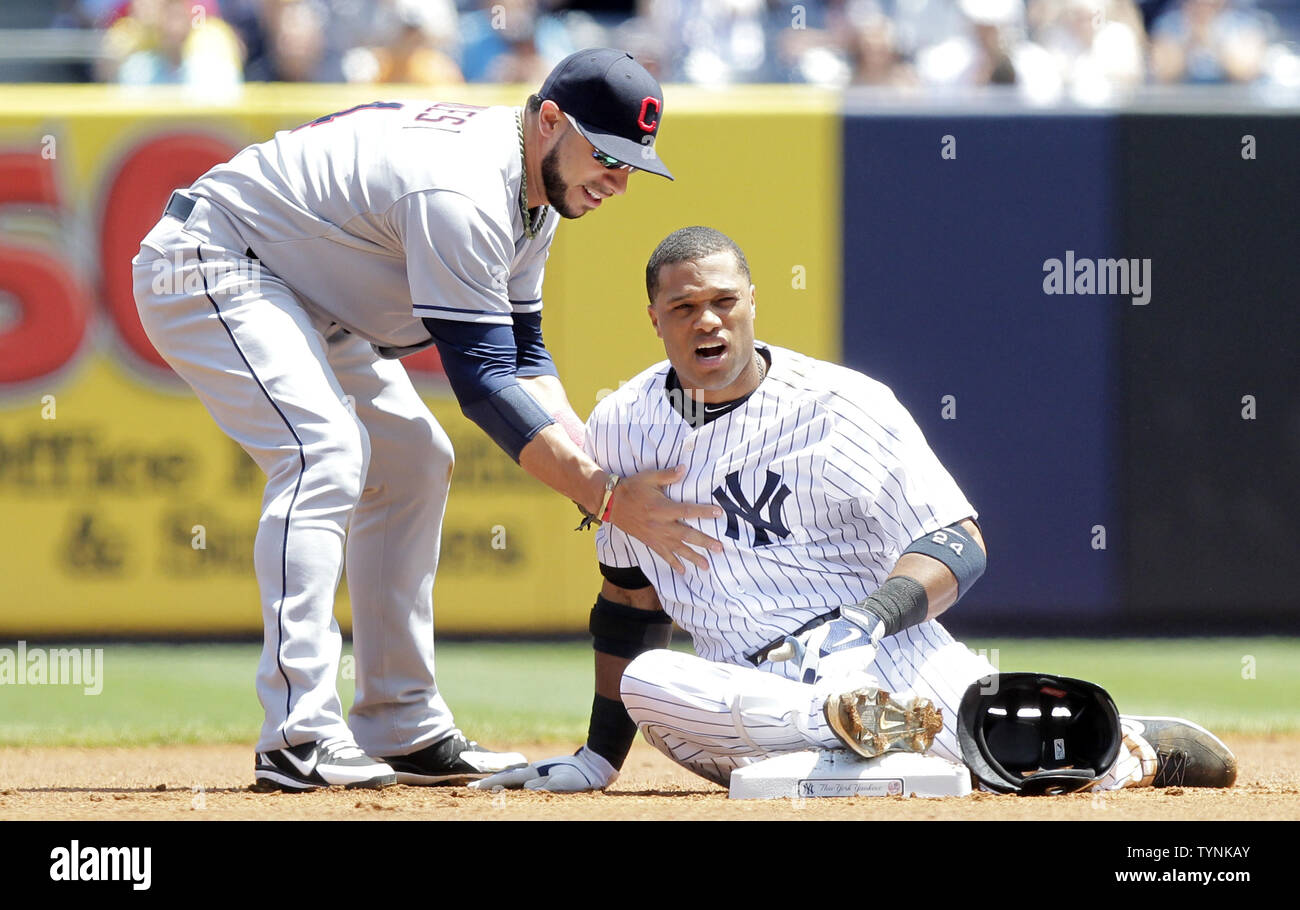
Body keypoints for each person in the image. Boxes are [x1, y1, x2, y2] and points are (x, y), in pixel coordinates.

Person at [131, 49, 725, 792]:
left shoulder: (533, 192)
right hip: (210, 258)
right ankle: (298, 735)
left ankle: (401, 724)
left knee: (414, 458)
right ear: (549, 121)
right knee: (324, 452)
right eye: (607, 156)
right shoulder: (465, 189)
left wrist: (601, 470)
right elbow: (482, 385)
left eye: (634, 164)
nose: (619, 181)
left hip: (303, 289)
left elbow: (526, 358)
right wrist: (604, 498)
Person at [473, 226, 1238, 795]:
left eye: (722, 302)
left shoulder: (843, 405)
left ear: (751, 305)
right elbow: (627, 602)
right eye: (684, 307)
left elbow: (958, 541)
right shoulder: (622, 428)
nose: (706, 321)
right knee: (650, 679)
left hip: (885, 662)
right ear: (654, 318)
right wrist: (599, 757)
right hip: (746, 705)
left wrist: (866, 619)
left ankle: (1125, 750)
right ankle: (861, 734)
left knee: (1014, 760)